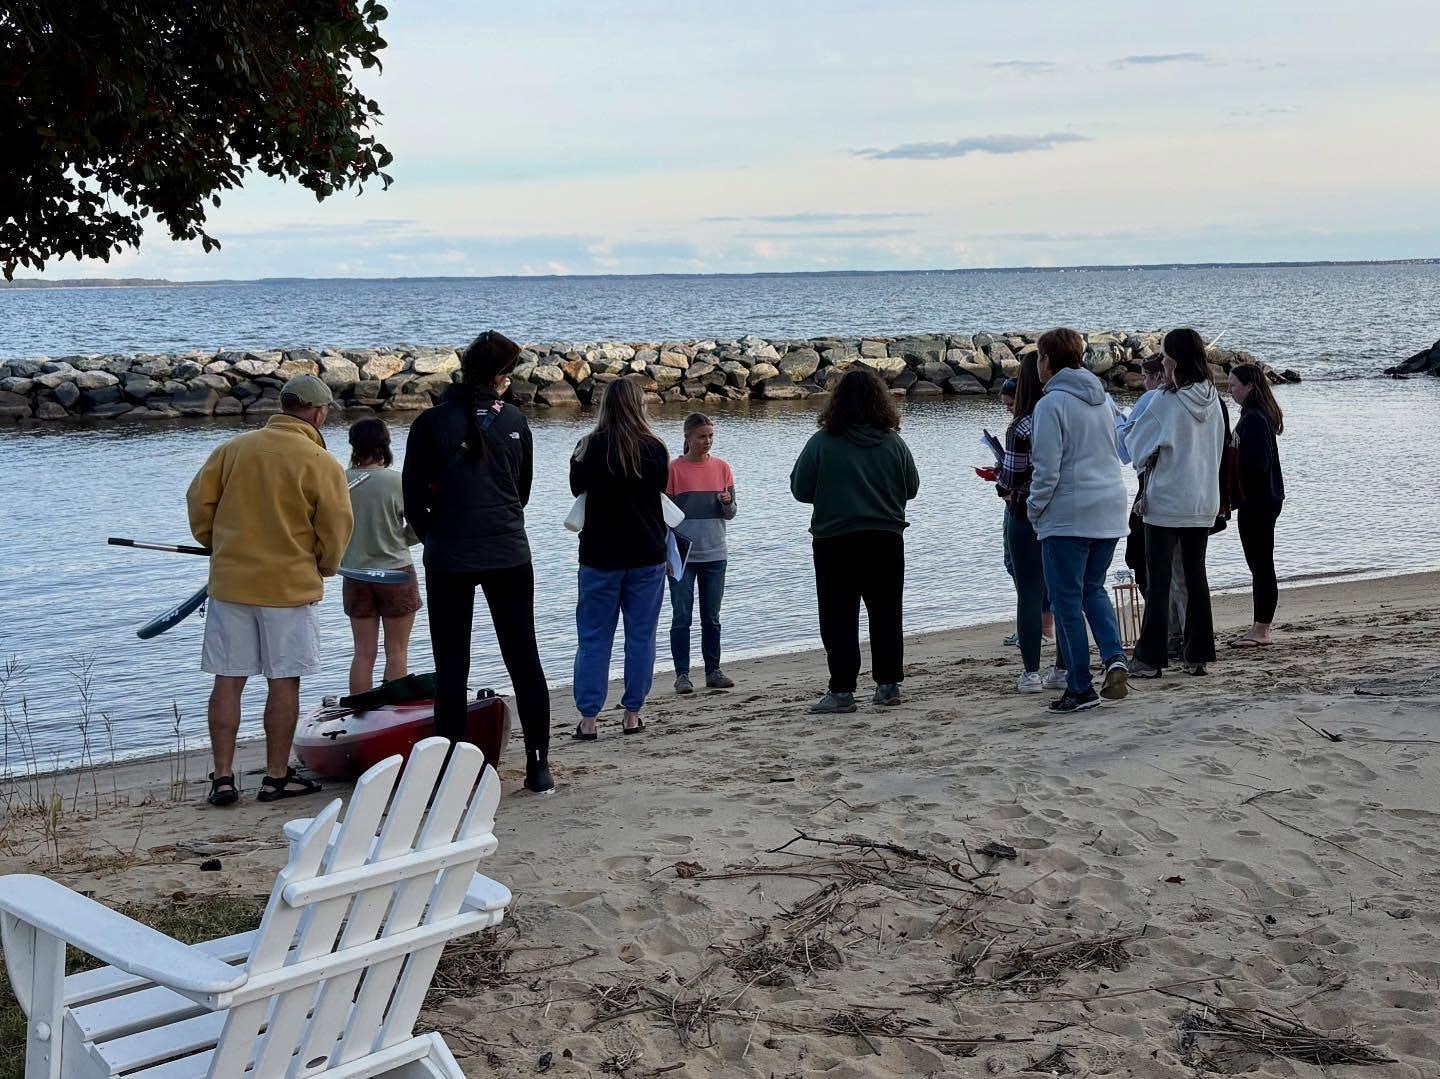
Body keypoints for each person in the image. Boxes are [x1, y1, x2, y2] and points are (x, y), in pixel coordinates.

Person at [186, 374, 353, 805]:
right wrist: (326, 564)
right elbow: (336, 525)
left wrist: (215, 542)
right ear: (318, 413)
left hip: (232, 583)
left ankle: (223, 778)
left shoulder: (233, 450)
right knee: (283, 682)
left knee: (228, 680)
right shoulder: (320, 461)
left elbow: (199, 502)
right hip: (289, 588)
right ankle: (276, 777)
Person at [402, 330, 554, 795]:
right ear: (501, 378)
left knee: (452, 667)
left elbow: (412, 498)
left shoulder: (430, 424)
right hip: (508, 551)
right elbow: (521, 492)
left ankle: (452, 772)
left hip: (450, 554)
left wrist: (437, 537)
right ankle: (538, 765)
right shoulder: (515, 421)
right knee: (523, 659)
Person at [790, 368, 920, 713]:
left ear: (837, 402)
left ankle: (842, 690)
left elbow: (800, 489)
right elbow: (911, 488)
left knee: (838, 617)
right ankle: (888, 685)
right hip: (885, 539)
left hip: (835, 540)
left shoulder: (822, 442)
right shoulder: (894, 442)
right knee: (886, 613)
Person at [1027, 328, 1131, 713]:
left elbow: (1046, 469)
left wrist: (1034, 508)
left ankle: (1080, 686)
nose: (1038, 365)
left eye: (1040, 357)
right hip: (1109, 506)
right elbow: (1120, 447)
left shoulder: (1050, 405)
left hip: (1069, 513)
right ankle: (1114, 656)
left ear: (1047, 360)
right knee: (1093, 588)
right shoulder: (1103, 400)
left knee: (1066, 601)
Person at [570, 378, 671, 738]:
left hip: (599, 554)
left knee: (594, 638)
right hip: (647, 552)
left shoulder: (587, 446)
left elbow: (577, 490)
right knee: (641, 637)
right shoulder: (655, 447)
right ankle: (632, 713)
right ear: (639, 405)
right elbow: (660, 489)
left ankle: (589, 719)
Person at [1124, 327, 1227, 677]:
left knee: (1159, 580)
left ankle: (1150, 659)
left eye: (1166, 355)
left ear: (1176, 360)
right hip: (1202, 498)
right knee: (1196, 577)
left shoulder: (1165, 401)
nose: (1163, 361)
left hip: (1167, 500)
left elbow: (1137, 449)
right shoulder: (1212, 398)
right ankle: (1197, 654)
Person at [997, 354, 1064, 693]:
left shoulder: (1022, 424)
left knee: (1028, 591)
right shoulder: (1066, 412)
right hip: (1066, 510)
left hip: (1025, 511)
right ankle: (1063, 666)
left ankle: (1031, 673)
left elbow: (1010, 478)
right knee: (1064, 590)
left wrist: (1000, 479)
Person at [343, 417, 420, 695]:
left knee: (363, 653)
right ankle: (392, 708)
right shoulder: (397, 480)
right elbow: (419, 525)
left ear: (353, 445)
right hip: (396, 570)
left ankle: (359, 709)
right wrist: (402, 540)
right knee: (397, 650)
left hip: (355, 572)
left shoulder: (340, 481)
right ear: (385, 445)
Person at [1118, 355, 1188, 658]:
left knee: (1151, 565)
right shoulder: (1203, 400)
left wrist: (1120, 424)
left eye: (1146, 377)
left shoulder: (1153, 399)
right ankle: (1185, 635)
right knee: (1184, 569)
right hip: (1192, 492)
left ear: (1158, 376)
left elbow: (1128, 450)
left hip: (1155, 488)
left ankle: (1171, 633)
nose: (1144, 383)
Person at [666, 412, 737, 694]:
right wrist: (665, 555)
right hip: (682, 556)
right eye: (702, 436)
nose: (707, 441)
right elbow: (662, 517)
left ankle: (713, 671)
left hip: (715, 553)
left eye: (710, 436)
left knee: (711, 617)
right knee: (681, 617)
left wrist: (727, 503)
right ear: (688, 438)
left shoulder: (722, 468)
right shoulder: (673, 470)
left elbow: (731, 513)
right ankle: (682, 675)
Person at [1227, 363, 1285, 647]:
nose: (1230, 391)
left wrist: (1236, 482)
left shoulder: (1254, 418)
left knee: (1261, 564)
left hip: (1259, 501)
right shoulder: (1254, 414)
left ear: (1249, 386)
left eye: (1233, 385)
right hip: (1261, 499)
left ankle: (1262, 630)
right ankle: (1260, 627)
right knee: (1260, 564)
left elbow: (1258, 464)